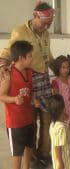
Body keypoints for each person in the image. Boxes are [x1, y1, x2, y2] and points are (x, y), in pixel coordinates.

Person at [0, 2, 54, 165]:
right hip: (29, 79)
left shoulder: (45, 34)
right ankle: (30, 155)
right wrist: (2, 67)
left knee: (47, 117)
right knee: (31, 119)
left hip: (44, 80)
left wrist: (59, 68)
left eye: (49, 25)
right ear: (35, 16)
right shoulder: (20, 31)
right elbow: (8, 52)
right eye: (44, 24)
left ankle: (44, 152)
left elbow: (47, 56)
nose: (46, 28)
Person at [0, 41, 36, 169]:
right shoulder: (9, 74)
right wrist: (14, 99)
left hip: (29, 119)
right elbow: (1, 95)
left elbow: (29, 91)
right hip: (15, 123)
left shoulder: (30, 72)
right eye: (30, 55)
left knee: (29, 147)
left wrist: (33, 99)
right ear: (21, 58)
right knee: (17, 154)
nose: (32, 58)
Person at [51, 55, 70, 154]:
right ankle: (61, 148)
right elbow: (55, 97)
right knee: (63, 129)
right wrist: (60, 111)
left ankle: (69, 146)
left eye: (67, 67)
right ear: (57, 68)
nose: (66, 70)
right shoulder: (56, 81)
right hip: (63, 109)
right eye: (63, 67)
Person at [49, 94, 70, 169]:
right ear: (62, 110)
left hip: (58, 161)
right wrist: (60, 163)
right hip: (64, 162)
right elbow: (57, 148)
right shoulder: (61, 129)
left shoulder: (53, 124)